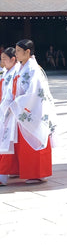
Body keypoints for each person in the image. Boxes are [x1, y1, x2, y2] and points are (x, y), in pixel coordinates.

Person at [0, 39, 57, 185]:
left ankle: (36, 173)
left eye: (19, 51)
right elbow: (11, 89)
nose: (16, 53)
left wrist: (18, 103)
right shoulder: (20, 67)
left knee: (30, 144)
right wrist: (8, 102)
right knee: (14, 142)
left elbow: (34, 93)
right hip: (17, 110)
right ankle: (14, 170)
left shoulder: (33, 69)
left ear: (27, 52)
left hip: (30, 111)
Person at [0, 47, 20, 185]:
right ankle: (12, 170)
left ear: (13, 59)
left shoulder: (16, 72)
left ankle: (3, 175)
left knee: (6, 143)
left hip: (11, 111)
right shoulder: (7, 71)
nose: (2, 61)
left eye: (4, 59)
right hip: (5, 109)